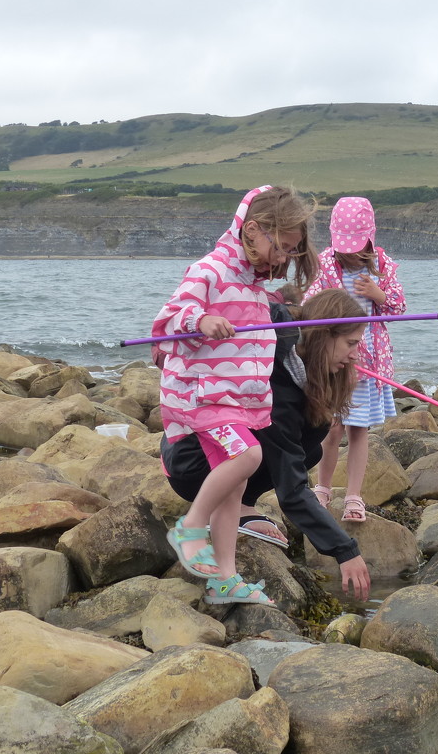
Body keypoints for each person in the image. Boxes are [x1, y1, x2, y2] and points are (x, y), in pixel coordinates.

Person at [151, 185, 318, 607]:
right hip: (200, 398)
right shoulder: (211, 268)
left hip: (237, 403)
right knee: (249, 457)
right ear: (254, 229)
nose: (282, 258)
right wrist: (201, 319)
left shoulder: (255, 287)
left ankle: (224, 579)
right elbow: (169, 319)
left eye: (291, 252)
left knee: (235, 487)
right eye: (280, 247)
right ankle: (190, 528)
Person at [160, 289, 372, 601]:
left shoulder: (297, 363)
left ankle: (241, 514)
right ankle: (193, 526)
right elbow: (292, 490)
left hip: (221, 453)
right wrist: (345, 550)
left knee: (310, 445)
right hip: (190, 463)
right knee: (268, 451)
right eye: (350, 344)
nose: (355, 354)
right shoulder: (277, 386)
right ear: (323, 336)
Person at [302, 197, 406, 522]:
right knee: (331, 429)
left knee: (358, 431)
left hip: (368, 365)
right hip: (335, 365)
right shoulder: (326, 264)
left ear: (369, 239)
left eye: (355, 249)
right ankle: (322, 489)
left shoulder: (383, 266)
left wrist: (379, 296)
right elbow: (310, 304)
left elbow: (398, 308)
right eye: (344, 248)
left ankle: (354, 497)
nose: (348, 255)